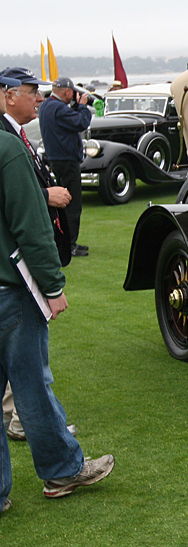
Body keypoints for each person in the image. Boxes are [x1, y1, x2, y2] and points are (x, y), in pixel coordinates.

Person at [1, 88, 115, 513]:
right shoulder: (8, 149)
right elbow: (30, 225)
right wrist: (52, 286)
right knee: (32, 386)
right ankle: (62, 470)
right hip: (12, 289)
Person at [0, 68, 72, 267]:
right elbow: (9, 194)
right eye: (33, 92)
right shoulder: (6, 139)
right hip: (20, 260)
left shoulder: (17, 134)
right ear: (10, 97)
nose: (40, 99)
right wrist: (46, 196)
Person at [38, 77, 92, 258]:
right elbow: (81, 122)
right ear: (67, 92)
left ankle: (65, 242)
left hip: (55, 159)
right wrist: (83, 106)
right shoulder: (59, 108)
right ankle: (70, 245)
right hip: (67, 160)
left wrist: (76, 107)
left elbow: (68, 120)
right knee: (72, 203)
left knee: (62, 202)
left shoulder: (47, 106)